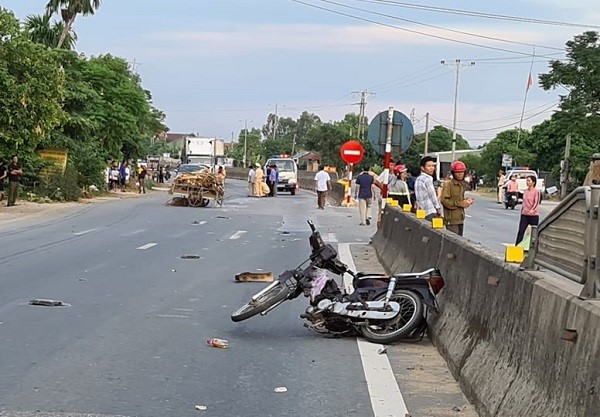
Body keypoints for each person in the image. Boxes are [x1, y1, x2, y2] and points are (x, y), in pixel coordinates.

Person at [441, 161, 474, 236]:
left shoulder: (462, 184)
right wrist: (459, 204)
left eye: (462, 172)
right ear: (453, 173)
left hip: (460, 218)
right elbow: (444, 201)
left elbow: (460, 199)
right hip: (451, 219)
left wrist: (466, 202)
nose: (460, 174)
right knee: (454, 240)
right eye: (457, 172)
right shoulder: (448, 184)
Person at [515, 175, 541, 245]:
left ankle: (533, 248)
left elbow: (536, 202)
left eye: (529, 181)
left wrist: (532, 210)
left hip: (533, 215)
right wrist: (522, 211)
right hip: (525, 214)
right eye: (527, 180)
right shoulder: (525, 191)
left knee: (534, 234)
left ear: (533, 182)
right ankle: (517, 246)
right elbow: (524, 202)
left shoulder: (536, 191)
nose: (527, 182)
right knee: (521, 232)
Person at [414, 156, 442, 220]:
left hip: (421, 211)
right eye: (429, 166)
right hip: (430, 211)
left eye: (433, 166)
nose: (432, 168)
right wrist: (438, 208)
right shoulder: (427, 179)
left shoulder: (418, 179)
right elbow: (432, 195)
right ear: (423, 168)